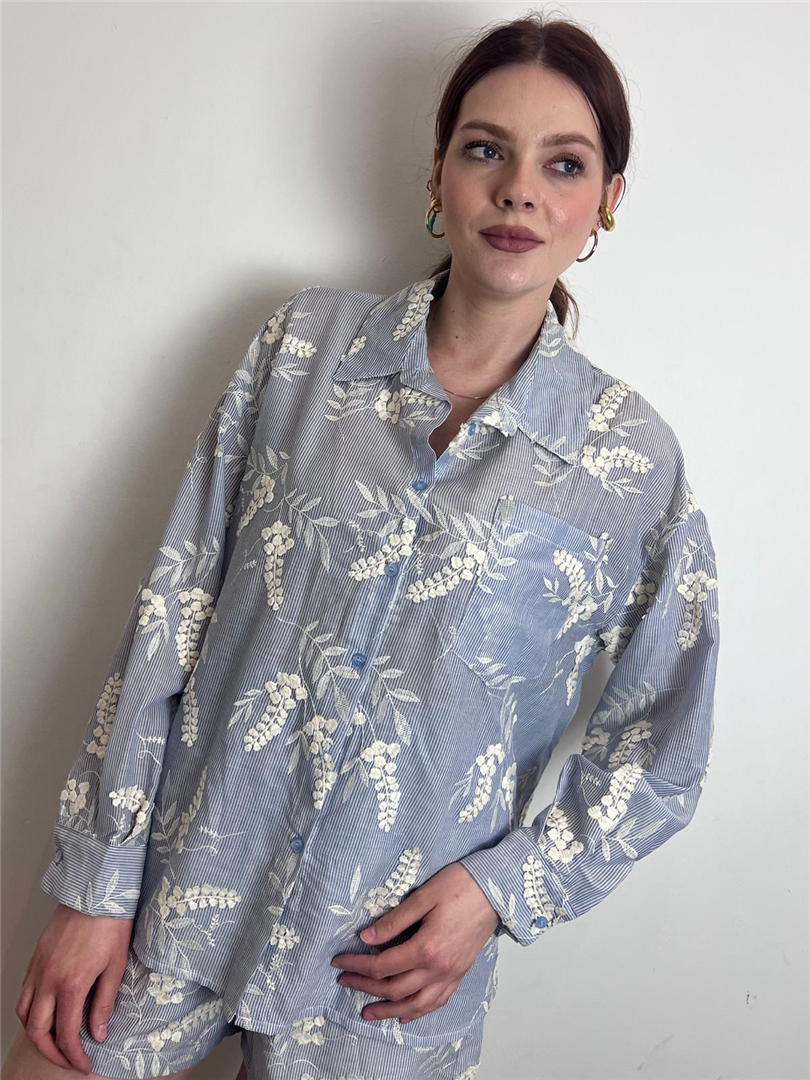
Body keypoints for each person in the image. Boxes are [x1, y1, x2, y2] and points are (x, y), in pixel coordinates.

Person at [4, 12, 720, 1080]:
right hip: (173, 908)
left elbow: (665, 749)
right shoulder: (302, 348)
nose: (519, 191)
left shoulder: (630, 465)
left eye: (563, 164)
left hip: (380, 986)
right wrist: (95, 886)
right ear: (438, 173)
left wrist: (503, 891)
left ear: (607, 199)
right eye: (486, 149)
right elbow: (172, 610)